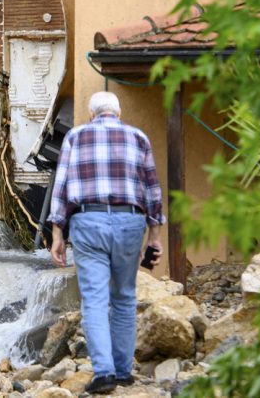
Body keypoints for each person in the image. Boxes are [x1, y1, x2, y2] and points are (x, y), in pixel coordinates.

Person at [48, 91, 165, 395]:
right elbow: (152, 188)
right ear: (118, 112)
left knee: (95, 299)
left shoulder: (76, 136)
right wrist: (155, 235)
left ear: (92, 114)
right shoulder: (138, 137)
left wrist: (57, 234)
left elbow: (60, 187)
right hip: (130, 222)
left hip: (88, 221)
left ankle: (104, 373)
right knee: (125, 296)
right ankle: (124, 371)